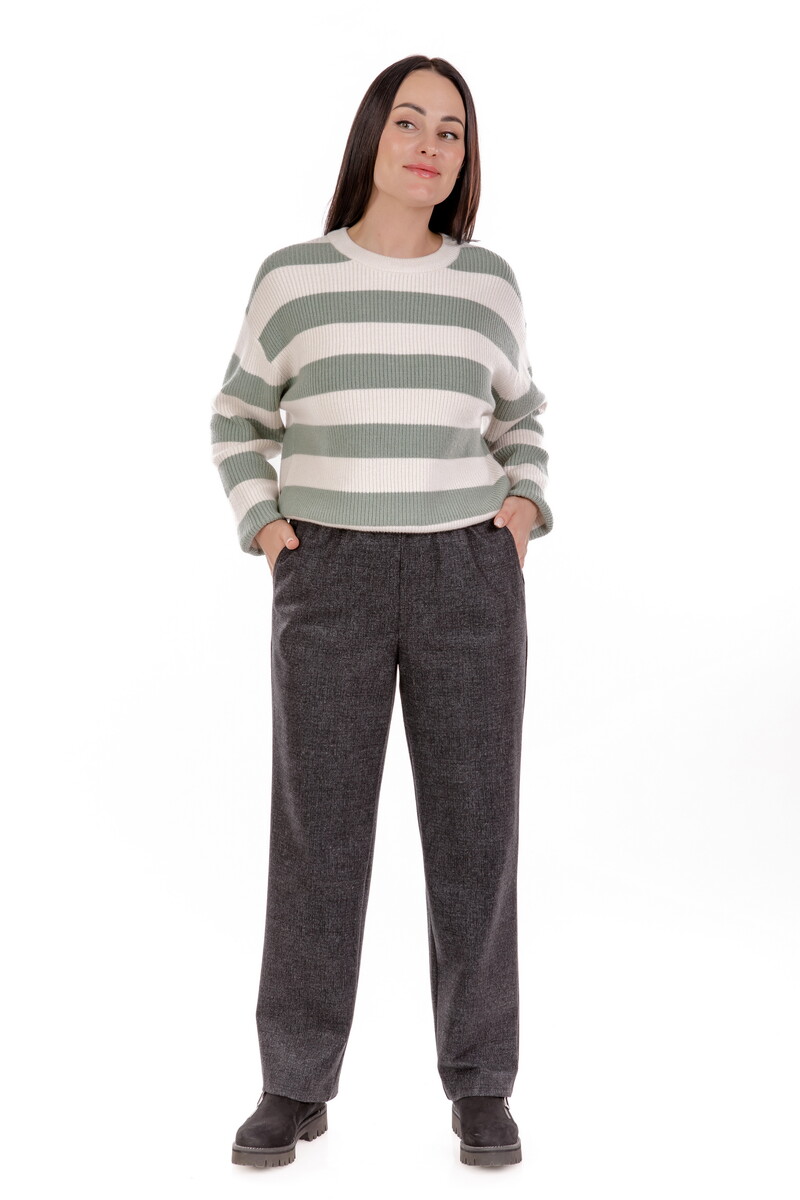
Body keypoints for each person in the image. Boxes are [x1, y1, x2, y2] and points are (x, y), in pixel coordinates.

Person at [210, 54, 553, 1170]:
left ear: (464, 159)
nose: (428, 145)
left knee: (475, 836)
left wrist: (521, 508)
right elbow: (237, 418)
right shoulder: (294, 278)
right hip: (331, 572)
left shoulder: (487, 282)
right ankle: (294, 1083)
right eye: (409, 121)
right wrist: (268, 527)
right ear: (371, 135)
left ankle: (481, 1087)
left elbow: (521, 417)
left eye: (451, 131)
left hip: (467, 571)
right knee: (318, 837)